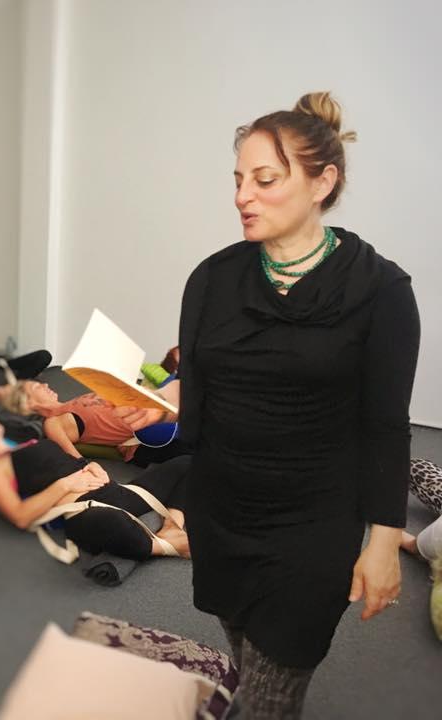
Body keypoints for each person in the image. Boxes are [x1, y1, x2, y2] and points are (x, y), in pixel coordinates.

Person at [178, 92, 420, 718]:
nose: (242, 196)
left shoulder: (381, 290)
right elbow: (197, 395)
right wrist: (148, 414)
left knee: (272, 694)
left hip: (312, 525)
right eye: (238, 180)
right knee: (242, 650)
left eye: (264, 180)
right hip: (221, 514)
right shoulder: (212, 278)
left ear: (322, 182)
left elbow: (387, 425)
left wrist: (384, 543)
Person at [0, 409, 191, 560]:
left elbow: (67, 462)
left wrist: (90, 465)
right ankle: (162, 547)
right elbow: (20, 517)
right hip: (83, 509)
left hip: (116, 491)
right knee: (113, 523)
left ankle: (172, 525)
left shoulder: (28, 444)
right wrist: (67, 484)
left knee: (188, 463)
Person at [0, 379, 188, 466]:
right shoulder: (54, 422)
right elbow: (77, 461)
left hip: (158, 412)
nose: (46, 384)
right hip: (151, 438)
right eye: (37, 386)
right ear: (28, 404)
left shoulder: (74, 400)